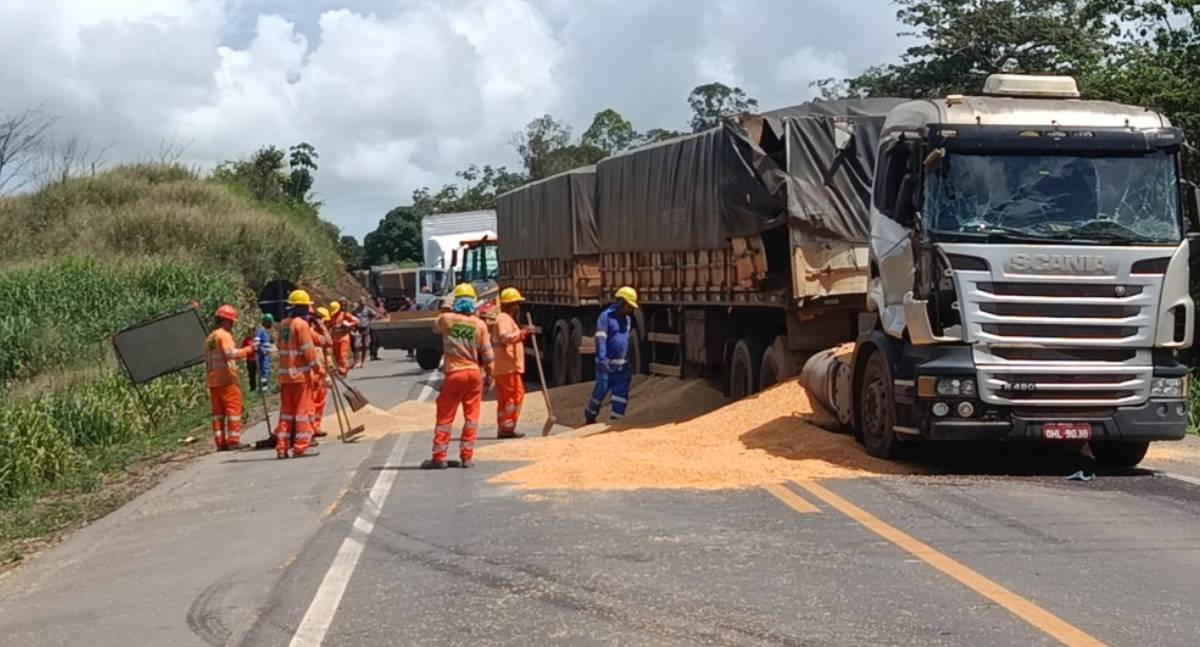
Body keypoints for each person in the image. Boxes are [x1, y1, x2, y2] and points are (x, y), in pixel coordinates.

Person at [423, 283, 494, 470]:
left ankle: (439, 456)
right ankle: (467, 457)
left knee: (445, 414)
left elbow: (435, 327)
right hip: (474, 374)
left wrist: (447, 305)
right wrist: (490, 375)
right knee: (471, 416)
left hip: (455, 373)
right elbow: (487, 354)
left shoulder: (447, 319)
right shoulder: (480, 325)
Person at [275, 289, 324, 459]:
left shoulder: (283, 325)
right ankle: (300, 447)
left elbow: (279, 346)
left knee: (286, 414)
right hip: (300, 377)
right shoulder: (301, 325)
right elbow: (308, 351)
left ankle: (281, 447)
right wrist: (319, 369)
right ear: (301, 307)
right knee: (302, 413)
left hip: (285, 376)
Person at [204, 305, 256, 450]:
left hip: (213, 381)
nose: (232, 324)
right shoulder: (224, 335)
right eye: (231, 321)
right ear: (226, 320)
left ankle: (220, 442)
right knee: (234, 410)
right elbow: (230, 353)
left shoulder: (210, 338)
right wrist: (249, 349)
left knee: (218, 414)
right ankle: (233, 440)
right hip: (226, 380)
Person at [584, 287, 638, 424]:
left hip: (622, 367)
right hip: (606, 364)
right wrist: (602, 358)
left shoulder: (627, 319)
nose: (630, 310)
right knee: (601, 390)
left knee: (621, 393)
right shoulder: (605, 317)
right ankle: (590, 414)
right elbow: (601, 338)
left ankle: (616, 420)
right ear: (621, 302)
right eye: (628, 306)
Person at [493, 288, 534, 439]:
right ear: (510, 305)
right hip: (507, 365)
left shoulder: (505, 319)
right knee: (514, 396)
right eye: (516, 304)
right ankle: (507, 427)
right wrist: (522, 333)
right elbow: (505, 337)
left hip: (506, 365)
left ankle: (505, 426)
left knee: (507, 398)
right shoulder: (504, 318)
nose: (518, 307)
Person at [310, 307, 333, 439]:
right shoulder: (311, 333)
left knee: (320, 402)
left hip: (322, 374)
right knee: (312, 403)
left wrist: (331, 368)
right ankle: (310, 428)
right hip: (313, 375)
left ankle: (316, 426)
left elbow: (327, 352)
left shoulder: (320, 335)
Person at [328, 298, 359, 376]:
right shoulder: (331, 316)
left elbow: (356, 320)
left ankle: (344, 371)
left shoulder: (344, 314)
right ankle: (341, 370)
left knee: (342, 355)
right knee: (337, 356)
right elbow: (327, 325)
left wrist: (349, 324)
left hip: (343, 338)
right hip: (334, 339)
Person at [353, 299, 380, 369]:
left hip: (366, 329)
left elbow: (376, 315)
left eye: (364, 304)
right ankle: (356, 362)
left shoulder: (367, 309)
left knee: (365, 346)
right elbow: (351, 317)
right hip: (357, 329)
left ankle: (362, 362)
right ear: (359, 303)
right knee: (357, 345)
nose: (363, 305)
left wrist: (371, 320)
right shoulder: (355, 310)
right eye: (361, 304)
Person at [252, 313, 274, 391]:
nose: (271, 324)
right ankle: (262, 390)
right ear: (267, 322)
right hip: (262, 356)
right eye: (270, 322)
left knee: (266, 371)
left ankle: (264, 389)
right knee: (264, 372)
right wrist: (261, 351)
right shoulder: (261, 330)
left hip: (266, 356)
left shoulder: (265, 331)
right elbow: (256, 342)